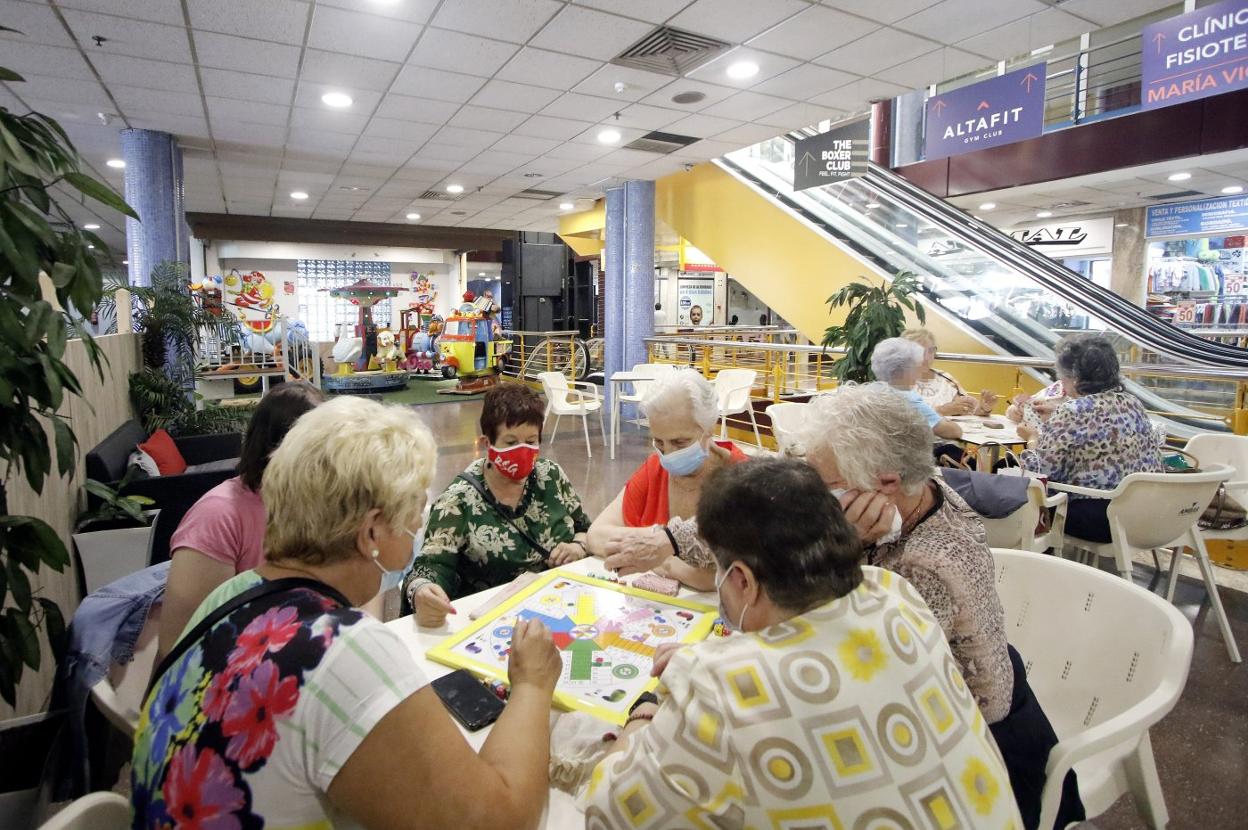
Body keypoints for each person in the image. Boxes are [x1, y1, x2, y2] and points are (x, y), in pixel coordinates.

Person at [132, 396, 562, 829]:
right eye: (415, 505)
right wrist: (533, 684)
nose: (420, 521)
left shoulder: (232, 595)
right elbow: (499, 821)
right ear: (372, 530)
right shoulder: (342, 650)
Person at [584, 458, 1023, 829]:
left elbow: (607, 810)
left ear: (742, 580)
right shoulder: (893, 592)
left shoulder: (720, 688)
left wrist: (650, 706)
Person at [798, 384, 1083, 829]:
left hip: (965, 746)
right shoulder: (921, 491)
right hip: (942, 695)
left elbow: (859, 663)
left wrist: (843, 549)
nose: (814, 499)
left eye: (826, 486)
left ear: (886, 483)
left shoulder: (929, 566)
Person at [157, 381, 324, 663]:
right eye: (320, 443)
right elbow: (181, 642)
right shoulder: (218, 516)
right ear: (281, 445)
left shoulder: (313, 504)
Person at [405, 384, 591, 627]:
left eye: (531, 441)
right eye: (511, 442)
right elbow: (431, 567)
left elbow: (585, 528)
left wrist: (578, 546)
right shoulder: (459, 501)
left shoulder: (551, 477)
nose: (522, 451)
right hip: (494, 625)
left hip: (561, 609)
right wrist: (422, 590)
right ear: (487, 443)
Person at [587, 368, 746, 590]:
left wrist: (658, 554)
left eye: (680, 442)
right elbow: (597, 535)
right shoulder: (655, 470)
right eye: (659, 442)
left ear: (709, 429)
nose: (668, 454)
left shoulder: (743, 479)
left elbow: (721, 575)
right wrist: (664, 551)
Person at [1020, 334, 1164, 543]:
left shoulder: (1073, 411)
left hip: (1102, 518)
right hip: (1144, 512)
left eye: (1062, 377)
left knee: (1018, 489)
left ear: (1076, 379)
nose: (1062, 383)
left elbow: (1039, 473)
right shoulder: (1133, 403)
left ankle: (1026, 563)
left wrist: (1033, 438)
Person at [870, 337, 962, 441]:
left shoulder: (871, 390)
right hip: (905, 455)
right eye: (917, 366)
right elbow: (952, 432)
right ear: (906, 370)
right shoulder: (908, 399)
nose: (919, 373)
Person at [902, 328, 999, 416]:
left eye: (930, 351)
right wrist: (942, 410)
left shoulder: (945, 378)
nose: (926, 357)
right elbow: (900, 418)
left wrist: (984, 408)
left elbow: (968, 409)